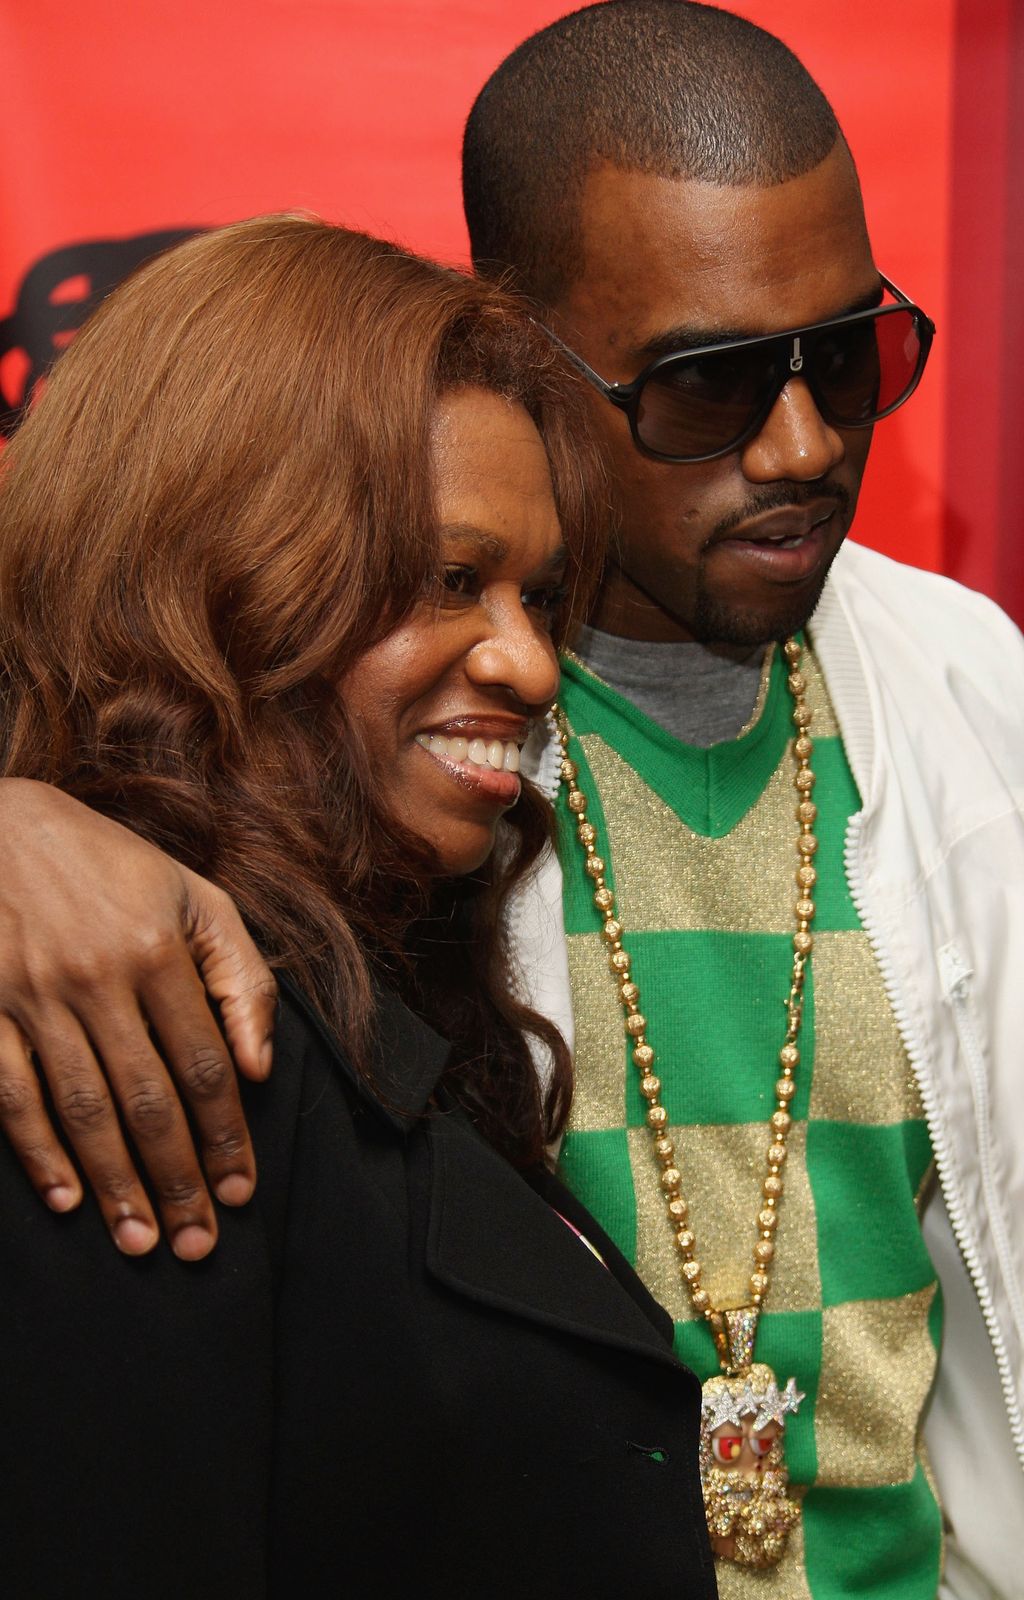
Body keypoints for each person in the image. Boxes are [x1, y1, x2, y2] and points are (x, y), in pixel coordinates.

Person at [0, 3, 1021, 1595]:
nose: (805, 442)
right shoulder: (348, 779)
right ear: (535, 352)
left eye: (847, 356)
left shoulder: (970, 682)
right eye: (709, 382)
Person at [0, 213, 719, 1598]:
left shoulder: (362, 993)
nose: (531, 664)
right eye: (451, 580)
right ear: (220, 572)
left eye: (540, 596)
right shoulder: (142, 1027)